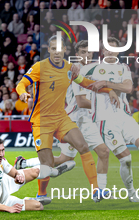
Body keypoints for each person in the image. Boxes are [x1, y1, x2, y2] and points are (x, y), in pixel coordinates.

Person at [15, 35, 115, 202]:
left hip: (61, 118)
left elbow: (87, 83)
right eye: (53, 49)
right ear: (49, 50)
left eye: (60, 49)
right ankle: (41, 194)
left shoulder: (70, 69)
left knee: (83, 146)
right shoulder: (40, 67)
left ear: (65, 51)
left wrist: (108, 90)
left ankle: (96, 191)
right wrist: (23, 93)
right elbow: (21, 83)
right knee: (47, 163)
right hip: (42, 121)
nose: (57, 52)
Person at [79, 37, 139, 202]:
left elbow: (128, 88)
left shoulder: (123, 67)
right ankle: (132, 194)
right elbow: (81, 80)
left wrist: (107, 84)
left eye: (114, 49)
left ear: (118, 51)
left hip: (124, 116)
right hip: (105, 121)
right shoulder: (92, 68)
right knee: (126, 159)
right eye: (108, 49)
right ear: (103, 51)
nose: (111, 52)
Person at [0, 135, 48, 212]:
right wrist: (8, 208)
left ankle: (54, 170)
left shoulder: (0, 159)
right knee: (38, 206)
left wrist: (18, 176)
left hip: (3, 183)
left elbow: (14, 173)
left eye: (2, 150)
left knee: (35, 171)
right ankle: (29, 200)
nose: (1, 154)